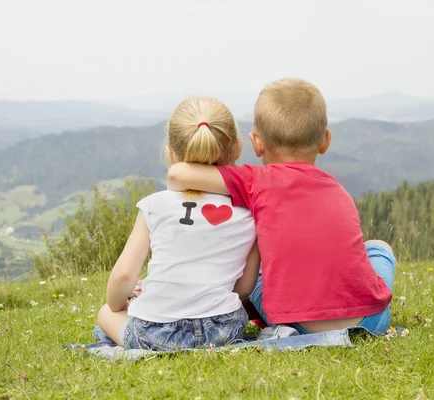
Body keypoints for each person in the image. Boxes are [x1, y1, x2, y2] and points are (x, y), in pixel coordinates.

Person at [167, 79, 395, 335]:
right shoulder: (338, 190)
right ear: (326, 140)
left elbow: (177, 175)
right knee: (379, 249)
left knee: (256, 274)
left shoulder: (257, 181)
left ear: (256, 143)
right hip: (370, 322)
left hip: (295, 324)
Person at [95, 96, 260, 350]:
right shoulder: (249, 212)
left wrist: (121, 306)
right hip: (224, 330)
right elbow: (244, 287)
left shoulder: (154, 205)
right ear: (237, 148)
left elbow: (124, 275)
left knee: (106, 313)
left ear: (170, 153)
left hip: (154, 333)